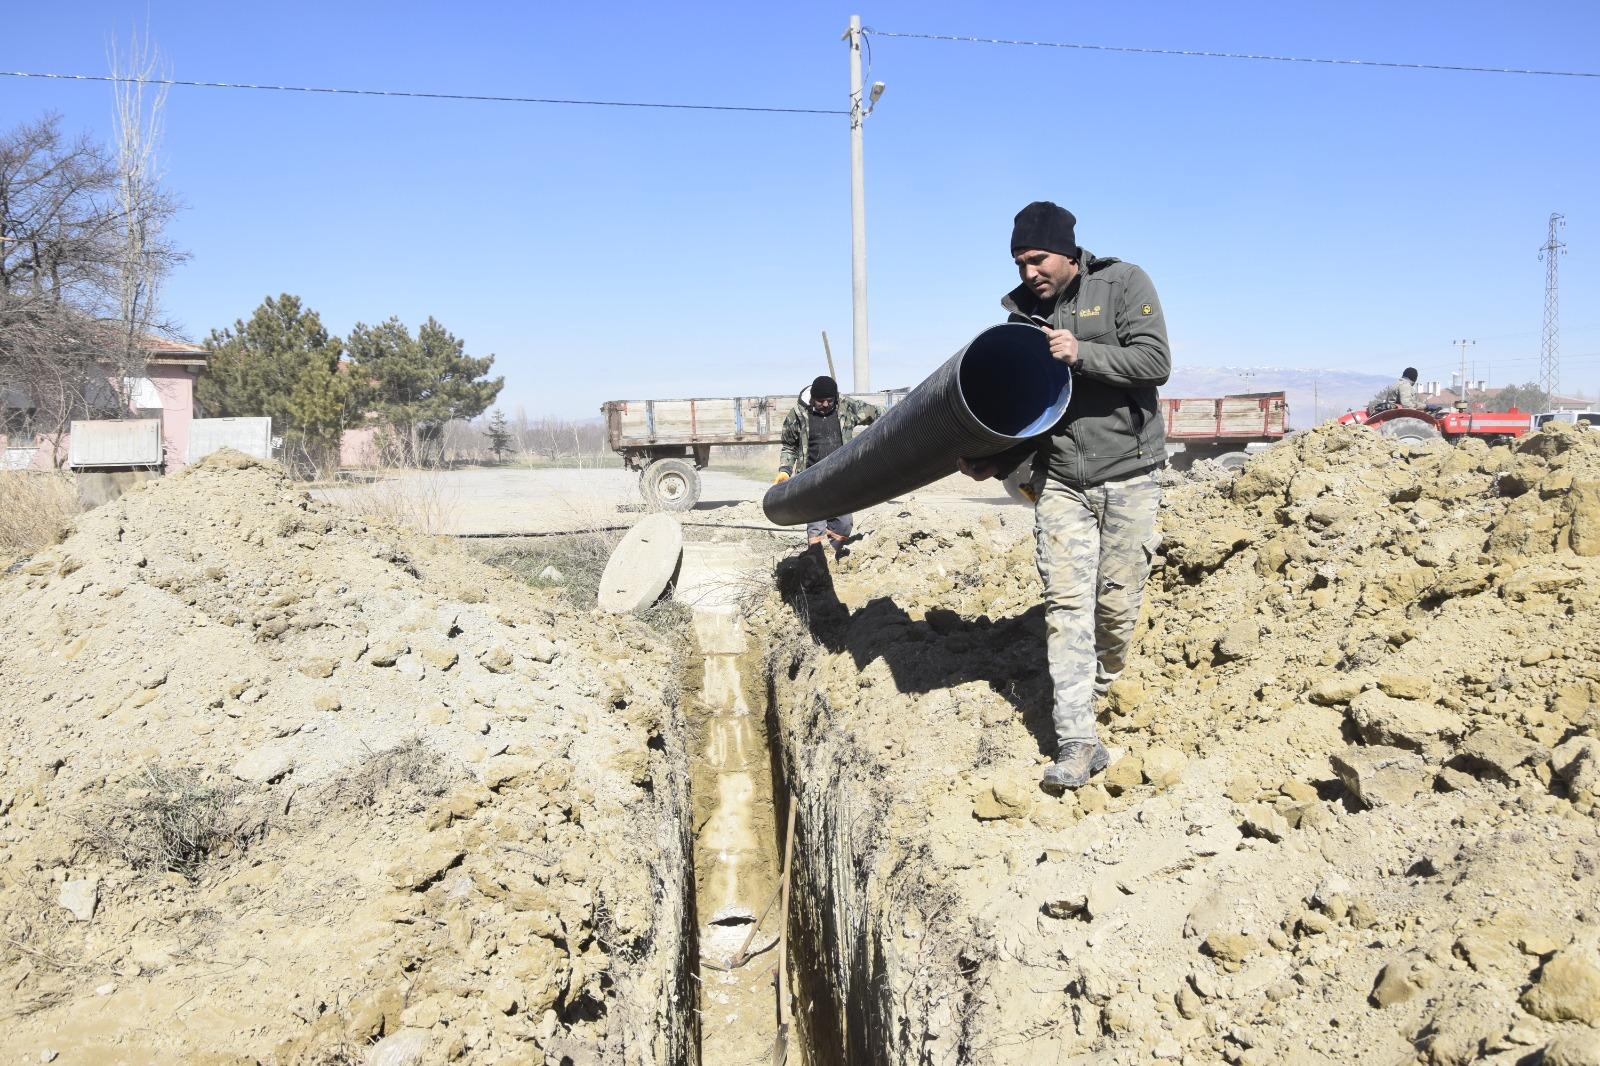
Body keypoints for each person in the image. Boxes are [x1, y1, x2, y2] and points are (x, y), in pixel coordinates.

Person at [959, 201, 1171, 794]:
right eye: (1020, 262)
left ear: (1068, 252)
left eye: (1038, 259)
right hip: (1062, 481)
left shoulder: (1125, 283)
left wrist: (1084, 352)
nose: (1029, 273)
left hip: (1130, 471)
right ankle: (1077, 739)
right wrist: (995, 461)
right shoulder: (1023, 315)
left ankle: (1102, 690)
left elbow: (1157, 360)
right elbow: (1030, 409)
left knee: (1116, 604)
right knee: (1067, 606)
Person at [775, 375, 880, 558]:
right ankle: (817, 561)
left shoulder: (847, 407)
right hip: (810, 481)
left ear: (835, 398)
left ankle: (833, 556)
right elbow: (789, 446)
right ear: (812, 398)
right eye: (820, 401)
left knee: (844, 524)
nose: (825, 404)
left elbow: (880, 414)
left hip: (841, 478)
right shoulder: (798, 415)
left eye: (829, 401)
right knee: (816, 527)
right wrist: (785, 470)